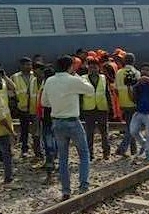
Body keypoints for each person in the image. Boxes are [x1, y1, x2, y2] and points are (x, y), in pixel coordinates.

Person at [41, 55, 94, 201]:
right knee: (83, 154)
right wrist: (77, 77)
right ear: (71, 66)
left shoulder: (49, 81)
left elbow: (44, 102)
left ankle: (66, 190)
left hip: (57, 122)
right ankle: (83, 186)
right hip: (72, 121)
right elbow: (90, 90)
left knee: (63, 158)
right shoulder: (74, 79)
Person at [81, 57, 111, 161]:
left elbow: (107, 93)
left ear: (99, 68)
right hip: (88, 109)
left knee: (104, 132)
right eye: (91, 67)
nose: (93, 69)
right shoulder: (83, 78)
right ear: (88, 68)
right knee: (89, 133)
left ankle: (106, 153)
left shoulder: (103, 78)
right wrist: (80, 110)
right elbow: (80, 95)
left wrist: (110, 107)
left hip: (102, 108)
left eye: (95, 67)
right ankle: (90, 154)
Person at [130, 63, 149, 162]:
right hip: (139, 111)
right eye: (143, 69)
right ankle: (144, 144)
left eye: (147, 70)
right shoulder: (138, 84)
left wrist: (145, 79)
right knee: (133, 131)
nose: (144, 71)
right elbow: (132, 96)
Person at [11, 57, 41, 158]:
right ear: (21, 65)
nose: (29, 67)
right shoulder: (15, 77)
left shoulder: (35, 75)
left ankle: (38, 150)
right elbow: (11, 91)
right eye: (26, 65)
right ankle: (24, 149)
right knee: (24, 129)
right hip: (22, 107)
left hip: (35, 107)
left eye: (30, 64)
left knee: (37, 129)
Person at [115, 52, 139, 156]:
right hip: (133, 103)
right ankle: (122, 148)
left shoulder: (119, 72)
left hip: (123, 102)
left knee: (130, 125)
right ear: (134, 61)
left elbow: (116, 90)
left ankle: (134, 150)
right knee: (132, 128)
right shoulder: (137, 73)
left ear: (124, 61)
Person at [36, 64, 57, 184]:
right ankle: (53, 161)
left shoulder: (46, 87)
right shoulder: (53, 86)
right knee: (54, 141)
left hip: (48, 118)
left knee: (49, 143)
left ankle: (50, 168)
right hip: (53, 117)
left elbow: (43, 103)